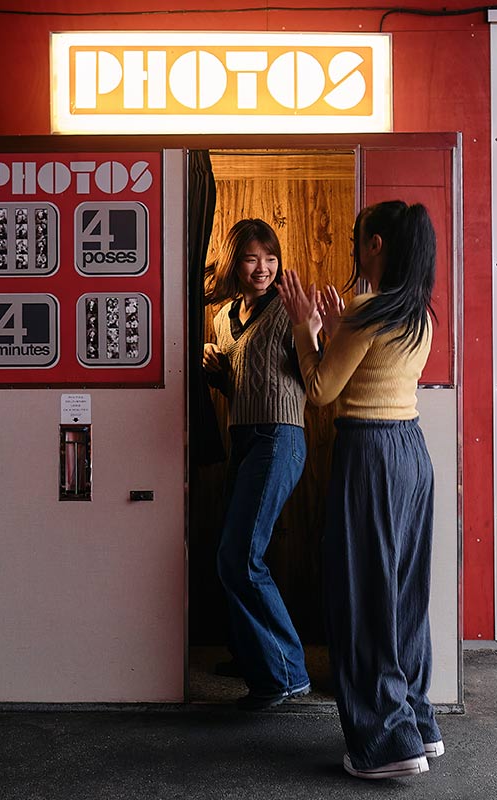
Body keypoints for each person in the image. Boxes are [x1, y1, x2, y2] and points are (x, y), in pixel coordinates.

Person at [277, 201, 442, 779]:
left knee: (362, 595)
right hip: (411, 453)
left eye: (358, 239)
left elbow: (321, 388)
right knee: (402, 593)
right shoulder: (416, 314)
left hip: (369, 454)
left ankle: (385, 745)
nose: (354, 246)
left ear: (375, 244)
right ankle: (416, 722)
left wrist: (305, 326)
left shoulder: (366, 312)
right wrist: (334, 325)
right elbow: (362, 370)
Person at [202, 218, 311, 711]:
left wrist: (314, 330)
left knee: (241, 556)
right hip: (242, 437)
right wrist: (217, 372)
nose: (262, 267)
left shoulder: (292, 309)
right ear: (235, 262)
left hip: (280, 437)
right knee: (231, 554)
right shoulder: (223, 316)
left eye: (270, 257)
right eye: (251, 257)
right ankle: (256, 659)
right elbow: (243, 381)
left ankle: (287, 673)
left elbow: (315, 373)